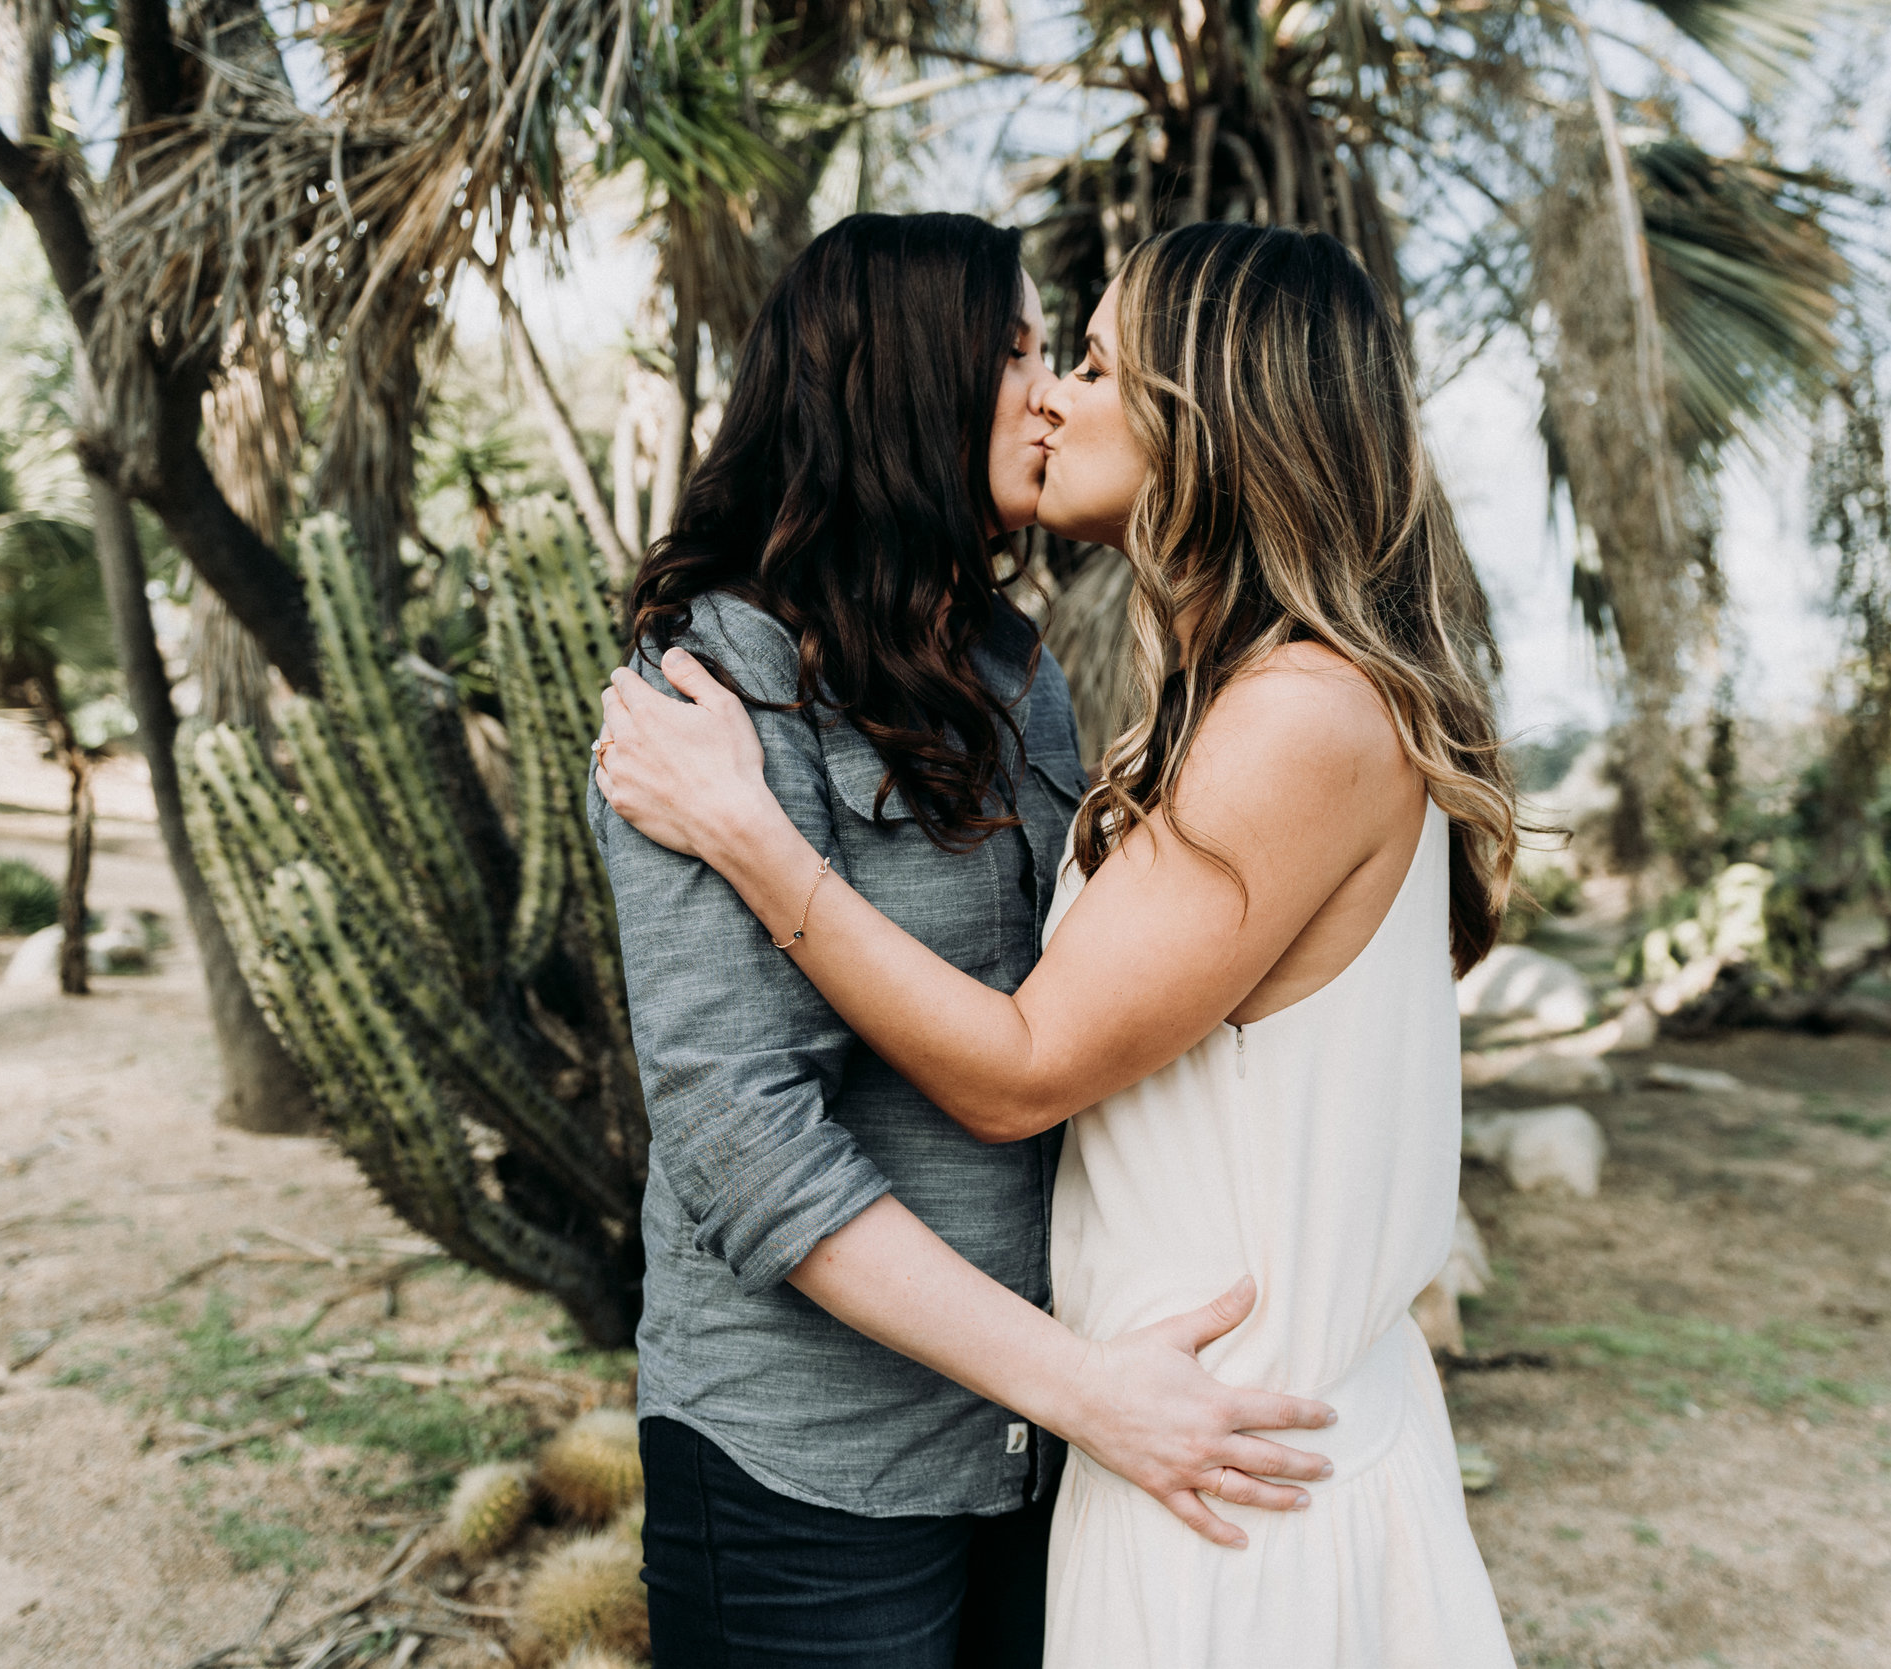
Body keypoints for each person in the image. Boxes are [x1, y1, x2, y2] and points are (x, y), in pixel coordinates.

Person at [596, 220, 1521, 1665]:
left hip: (1073, 1437)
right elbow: (739, 1139)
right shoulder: (716, 686)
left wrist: (1081, 1393)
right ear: (907, 380)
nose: (1047, 393)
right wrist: (1079, 1384)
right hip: (825, 1463)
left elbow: (1051, 1047)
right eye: (1026, 351)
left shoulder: (1025, 674)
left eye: (1078, 358)